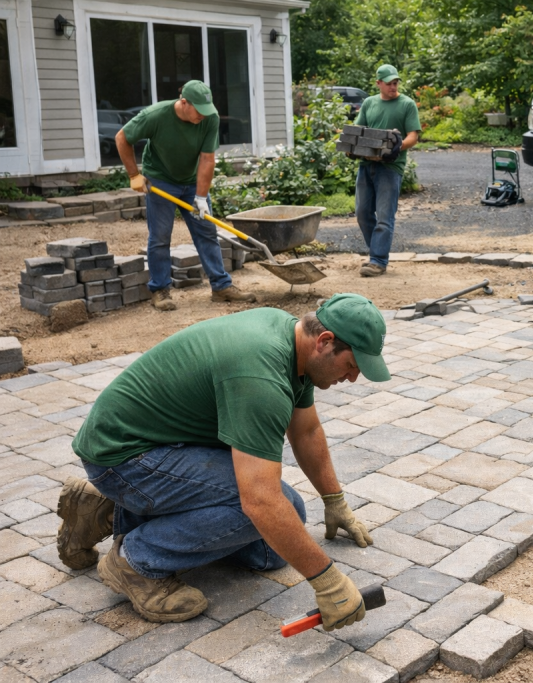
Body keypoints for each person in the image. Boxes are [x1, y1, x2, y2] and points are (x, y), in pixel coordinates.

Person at [56, 293, 387, 628]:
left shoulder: (291, 340)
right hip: (126, 457)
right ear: (325, 341)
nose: (352, 378)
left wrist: (335, 501)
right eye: (350, 366)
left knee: (274, 546)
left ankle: (109, 512)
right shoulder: (260, 377)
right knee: (266, 510)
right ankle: (136, 561)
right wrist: (328, 582)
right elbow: (260, 501)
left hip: (162, 446)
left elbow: (306, 431)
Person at [115, 80, 256, 311]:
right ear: (184, 103)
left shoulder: (210, 117)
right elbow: (122, 138)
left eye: (206, 110)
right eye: (198, 110)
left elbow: (207, 158)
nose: (203, 115)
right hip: (160, 179)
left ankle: (221, 287)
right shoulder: (156, 115)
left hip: (192, 182)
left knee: (206, 233)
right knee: (160, 237)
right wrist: (133, 175)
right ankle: (160, 289)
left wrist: (201, 197)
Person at [352, 64, 421, 278]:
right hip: (367, 165)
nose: (393, 87)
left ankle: (378, 261)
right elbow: (358, 130)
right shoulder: (369, 103)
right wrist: (351, 147)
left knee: (384, 216)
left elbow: (413, 136)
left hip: (391, 168)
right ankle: (376, 254)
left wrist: (395, 148)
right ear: (378, 83)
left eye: (395, 83)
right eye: (389, 83)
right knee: (363, 213)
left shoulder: (407, 104)